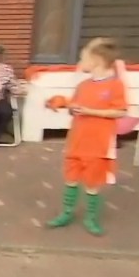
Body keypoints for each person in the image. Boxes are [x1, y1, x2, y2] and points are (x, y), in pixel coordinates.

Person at [46, 38, 128, 236]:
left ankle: (90, 218)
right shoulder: (83, 85)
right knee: (71, 179)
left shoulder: (115, 85)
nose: (80, 62)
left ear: (97, 60)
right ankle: (66, 213)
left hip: (98, 145)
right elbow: (76, 107)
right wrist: (64, 104)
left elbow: (120, 111)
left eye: (83, 58)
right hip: (76, 141)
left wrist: (90, 111)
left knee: (92, 184)